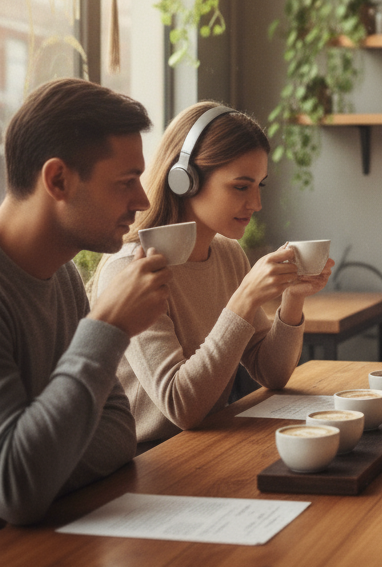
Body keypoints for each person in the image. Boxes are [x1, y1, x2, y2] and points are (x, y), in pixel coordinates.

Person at [92, 103, 333, 446]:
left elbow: (272, 373)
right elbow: (181, 407)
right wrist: (245, 298)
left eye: (259, 186)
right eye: (240, 186)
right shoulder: (132, 271)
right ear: (184, 179)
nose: (256, 203)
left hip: (203, 448)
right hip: (145, 465)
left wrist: (292, 299)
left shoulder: (227, 254)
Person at [0, 79, 172, 526]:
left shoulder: (64, 276)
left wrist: (46, 461)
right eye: (127, 181)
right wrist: (108, 327)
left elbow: (118, 433)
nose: (144, 200)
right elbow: (17, 488)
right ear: (58, 179)